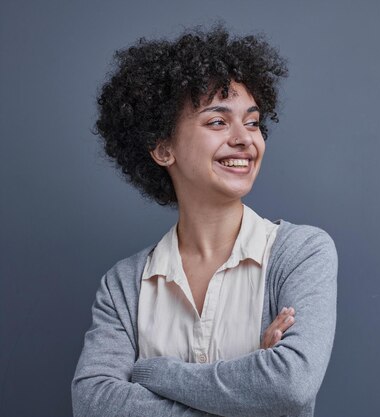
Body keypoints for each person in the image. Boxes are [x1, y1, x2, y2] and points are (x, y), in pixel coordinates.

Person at [71, 24, 338, 417]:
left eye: (252, 122)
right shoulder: (124, 285)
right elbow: (93, 402)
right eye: (217, 122)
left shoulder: (302, 253)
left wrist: (154, 373)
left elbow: (290, 386)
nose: (245, 139)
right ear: (163, 149)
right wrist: (247, 392)